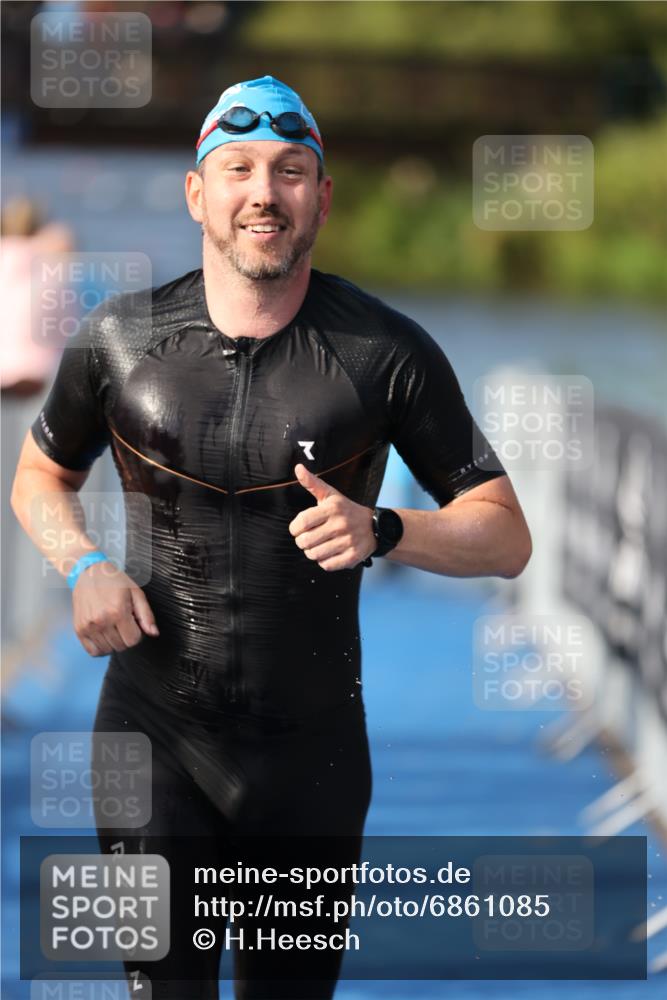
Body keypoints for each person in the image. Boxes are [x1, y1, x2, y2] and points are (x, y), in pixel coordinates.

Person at [11, 76, 532, 999]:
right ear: (196, 193)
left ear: (321, 198)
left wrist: (383, 528)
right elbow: (41, 477)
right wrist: (83, 563)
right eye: (240, 168)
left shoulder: (384, 352)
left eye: (291, 171)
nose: (264, 192)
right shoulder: (120, 340)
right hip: (147, 736)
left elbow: (504, 537)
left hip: (312, 754)